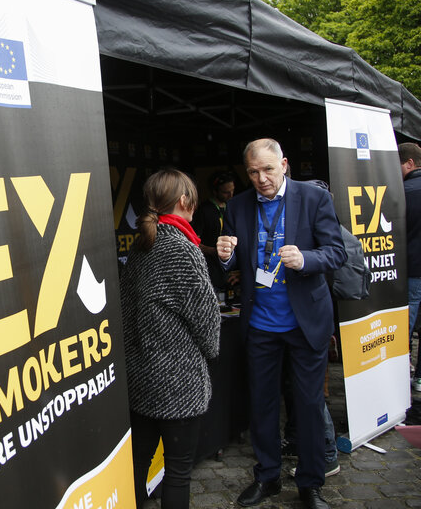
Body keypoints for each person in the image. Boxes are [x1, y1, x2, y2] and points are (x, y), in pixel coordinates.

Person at [216, 139, 346, 509]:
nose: (261, 179)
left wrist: (305, 258)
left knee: (307, 405)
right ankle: (268, 477)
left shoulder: (313, 198)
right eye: (253, 172)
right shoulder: (238, 204)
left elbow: (336, 251)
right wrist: (226, 257)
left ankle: (310, 484)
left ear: (284, 164)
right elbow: (232, 258)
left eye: (268, 169)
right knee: (262, 403)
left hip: (305, 322)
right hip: (260, 323)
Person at [120, 169, 221, 509]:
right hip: (177, 381)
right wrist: (210, 351)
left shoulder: (141, 245)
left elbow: (125, 310)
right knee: (178, 471)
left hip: (141, 377)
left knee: (138, 463)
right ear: (183, 201)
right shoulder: (180, 247)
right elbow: (207, 320)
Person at [400, 142, 421, 392]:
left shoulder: (403, 191)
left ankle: (402, 380)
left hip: (412, 270)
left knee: (404, 326)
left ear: (409, 164)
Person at [193, 171, 236, 289]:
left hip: (232, 268)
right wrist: (214, 251)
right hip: (210, 267)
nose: (231, 195)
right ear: (214, 191)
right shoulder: (204, 210)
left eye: (232, 191)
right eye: (226, 192)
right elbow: (193, 242)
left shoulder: (234, 208)